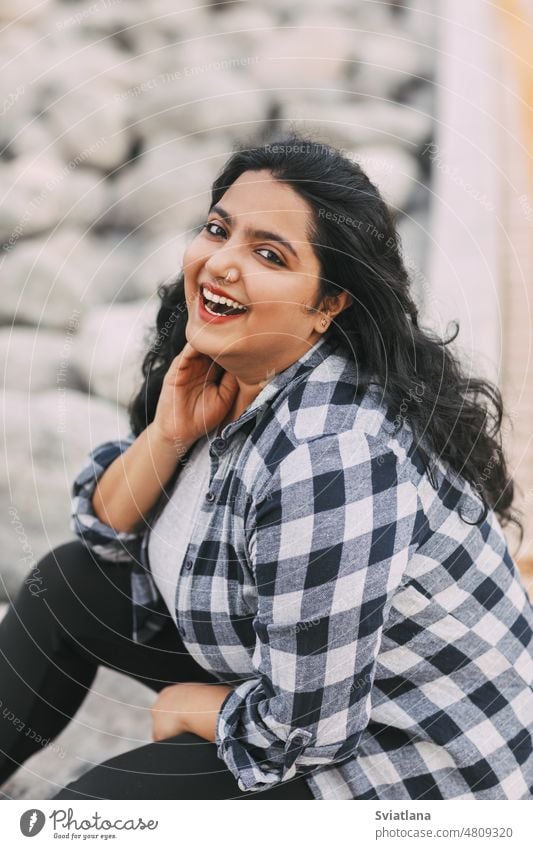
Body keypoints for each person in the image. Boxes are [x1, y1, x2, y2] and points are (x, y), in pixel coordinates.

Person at [1, 134, 533, 800]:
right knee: (68, 584)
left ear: (327, 303)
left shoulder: (331, 457)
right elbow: (103, 530)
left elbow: (303, 733)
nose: (222, 263)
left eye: (268, 254)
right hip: (307, 686)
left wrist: (195, 705)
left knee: (94, 813)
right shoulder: (231, 371)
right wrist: (168, 434)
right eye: (218, 230)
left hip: (412, 772)